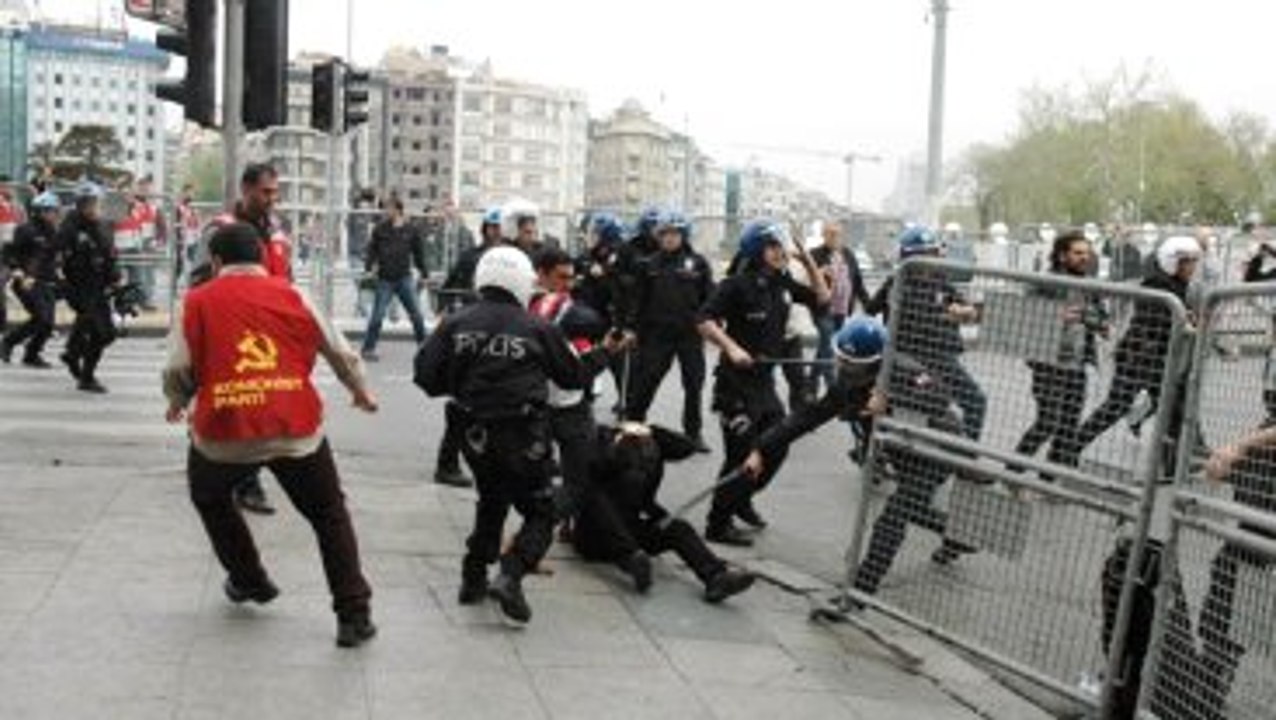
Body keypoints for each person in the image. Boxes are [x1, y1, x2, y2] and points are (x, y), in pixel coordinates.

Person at [162, 223, 378, 648]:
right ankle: (353, 615)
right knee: (329, 514)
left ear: (217, 262)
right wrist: (359, 391)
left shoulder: (196, 301)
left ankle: (249, 579)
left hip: (224, 427)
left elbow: (178, 368)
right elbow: (337, 348)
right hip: (292, 425)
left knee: (209, 495)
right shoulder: (293, 294)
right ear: (262, 258)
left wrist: (178, 399)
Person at [413, 246, 621, 623]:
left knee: (491, 498)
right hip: (522, 433)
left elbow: (425, 376)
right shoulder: (536, 327)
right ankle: (511, 574)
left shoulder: (456, 322)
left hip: (472, 431)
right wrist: (606, 352)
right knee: (540, 510)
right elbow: (571, 376)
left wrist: (464, 386)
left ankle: (473, 578)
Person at [697, 219, 829, 546]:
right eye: (772, 247)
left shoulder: (782, 285)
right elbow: (702, 321)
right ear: (757, 250)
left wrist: (806, 258)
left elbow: (823, 298)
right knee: (741, 454)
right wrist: (732, 347)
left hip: (764, 386)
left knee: (777, 446)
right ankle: (717, 524)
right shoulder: (736, 285)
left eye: (780, 247)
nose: (779, 252)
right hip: (733, 384)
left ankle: (739, 498)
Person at [1056, 236, 1200, 477]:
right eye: (1187, 262)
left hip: (1156, 359)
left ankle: (1173, 465)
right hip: (1139, 358)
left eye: (1194, 262)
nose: (1192, 267)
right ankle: (1070, 449)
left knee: (1174, 410)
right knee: (1118, 407)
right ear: (1172, 262)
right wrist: (1185, 321)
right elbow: (1159, 318)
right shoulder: (1158, 284)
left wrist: (1186, 319)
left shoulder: (1175, 285)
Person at [196, 163, 294, 514]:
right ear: (246, 189)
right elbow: (198, 283)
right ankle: (239, 480)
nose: (272, 199)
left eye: (275, 192)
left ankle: (243, 477)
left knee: (262, 410)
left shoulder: (279, 234)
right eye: (266, 192)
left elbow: (288, 284)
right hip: (230, 339)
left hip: (269, 341)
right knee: (232, 408)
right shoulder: (220, 231)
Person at [572, 422, 756, 602]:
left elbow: (687, 446)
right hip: (594, 537)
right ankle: (631, 559)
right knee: (596, 500)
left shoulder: (650, 449)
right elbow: (587, 471)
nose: (643, 467)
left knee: (678, 528)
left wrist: (650, 430)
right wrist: (617, 437)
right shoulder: (606, 445)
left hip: (632, 536)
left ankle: (716, 577)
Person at [866, 226, 985, 441]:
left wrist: (966, 310)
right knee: (974, 401)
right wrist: (947, 313)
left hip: (942, 356)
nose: (938, 256)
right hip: (922, 357)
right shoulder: (900, 282)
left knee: (957, 404)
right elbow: (873, 308)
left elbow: (961, 303)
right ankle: (963, 458)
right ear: (913, 256)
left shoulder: (938, 278)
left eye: (936, 251)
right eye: (931, 252)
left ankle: (959, 453)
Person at [1012, 230, 1110, 471]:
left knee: (1068, 425)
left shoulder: (1089, 284)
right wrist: (1056, 315)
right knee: (1048, 422)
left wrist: (1100, 325)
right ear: (1062, 255)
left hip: (1076, 365)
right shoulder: (1046, 281)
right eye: (1078, 253)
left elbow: (1100, 318)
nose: (1084, 258)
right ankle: (1013, 471)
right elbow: (1021, 311)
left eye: (1087, 253)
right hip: (1048, 362)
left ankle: (1051, 478)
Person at [529, 247, 611, 520]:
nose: (568, 285)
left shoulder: (568, 302)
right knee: (564, 482)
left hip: (570, 398)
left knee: (571, 478)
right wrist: (606, 351)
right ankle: (528, 542)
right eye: (562, 277)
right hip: (551, 401)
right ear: (541, 275)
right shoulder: (546, 304)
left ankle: (557, 529)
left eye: (571, 278)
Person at [430, 206, 507, 489]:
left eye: (501, 227)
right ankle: (447, 462)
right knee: (465, 403)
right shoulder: (470, 257)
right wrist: (445, 315)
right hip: (474, 336)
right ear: (485, 228)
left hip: (505, 336)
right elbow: (450, 289)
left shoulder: (513, 258)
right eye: (493, 227)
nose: (497, 232)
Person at [625, 212, 714, 451]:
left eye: (675, 233)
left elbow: (710, 298)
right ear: (659, 236)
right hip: (657, 335)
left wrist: (711, 323)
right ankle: (632, 427)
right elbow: (637, 300)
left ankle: (693, 433)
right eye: (665, 234)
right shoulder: (648, 264)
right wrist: (631, 329)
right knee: (647, 380)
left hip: (690, 335)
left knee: (694, 384)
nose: (670, 238)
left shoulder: (698, 263)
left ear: (683, 235)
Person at [59, 182, 119, 394]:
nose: (96, 208)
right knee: (104, 333)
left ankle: (73, 354)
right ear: (82, 205)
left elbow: (108, 254)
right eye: (92, 203)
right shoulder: (70, 228)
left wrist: (114, 277)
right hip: (81, 289)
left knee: (97, 328)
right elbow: (58, 259)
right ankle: (85, 375)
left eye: (97, 203)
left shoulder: (99, 225)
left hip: (97, 287)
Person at [359, 197, 428, 361]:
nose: (385, 211)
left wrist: (424, 273)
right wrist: (368, 268)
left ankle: (425, 348)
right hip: (385, 279)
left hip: (404, 278)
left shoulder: (411, 230)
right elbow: (372, 250)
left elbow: (419, 254)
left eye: (389, 208)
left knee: (416, 315)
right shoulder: (380, 229)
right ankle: (368, 349)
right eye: (385, 208)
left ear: (398, 210)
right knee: (377, 316)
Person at [1, 192, 63, 367]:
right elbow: (8, 252)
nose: (56, 215)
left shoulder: (53, 231)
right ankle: (8, 342)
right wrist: (17, 270)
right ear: (41, 211)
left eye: (56, 211)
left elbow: (52, 256)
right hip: (26, 282)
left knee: (47, 324)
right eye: (52, 211)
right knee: (42, 318)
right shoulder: (25, 230)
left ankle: (31, 354)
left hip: (47, 282)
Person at [809, 221, 871, 394]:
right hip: (822, 308)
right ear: (823, 235)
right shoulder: (815, 254)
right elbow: (805, 278)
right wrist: (819, 273)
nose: (833, 237)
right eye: (829, 233)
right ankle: (832, 387)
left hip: (842, 308)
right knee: (828, 342)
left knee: (825, 345)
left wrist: (868, 304)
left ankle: (811, 382)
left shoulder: (848, 254)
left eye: (836, 234)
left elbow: (857, 281)